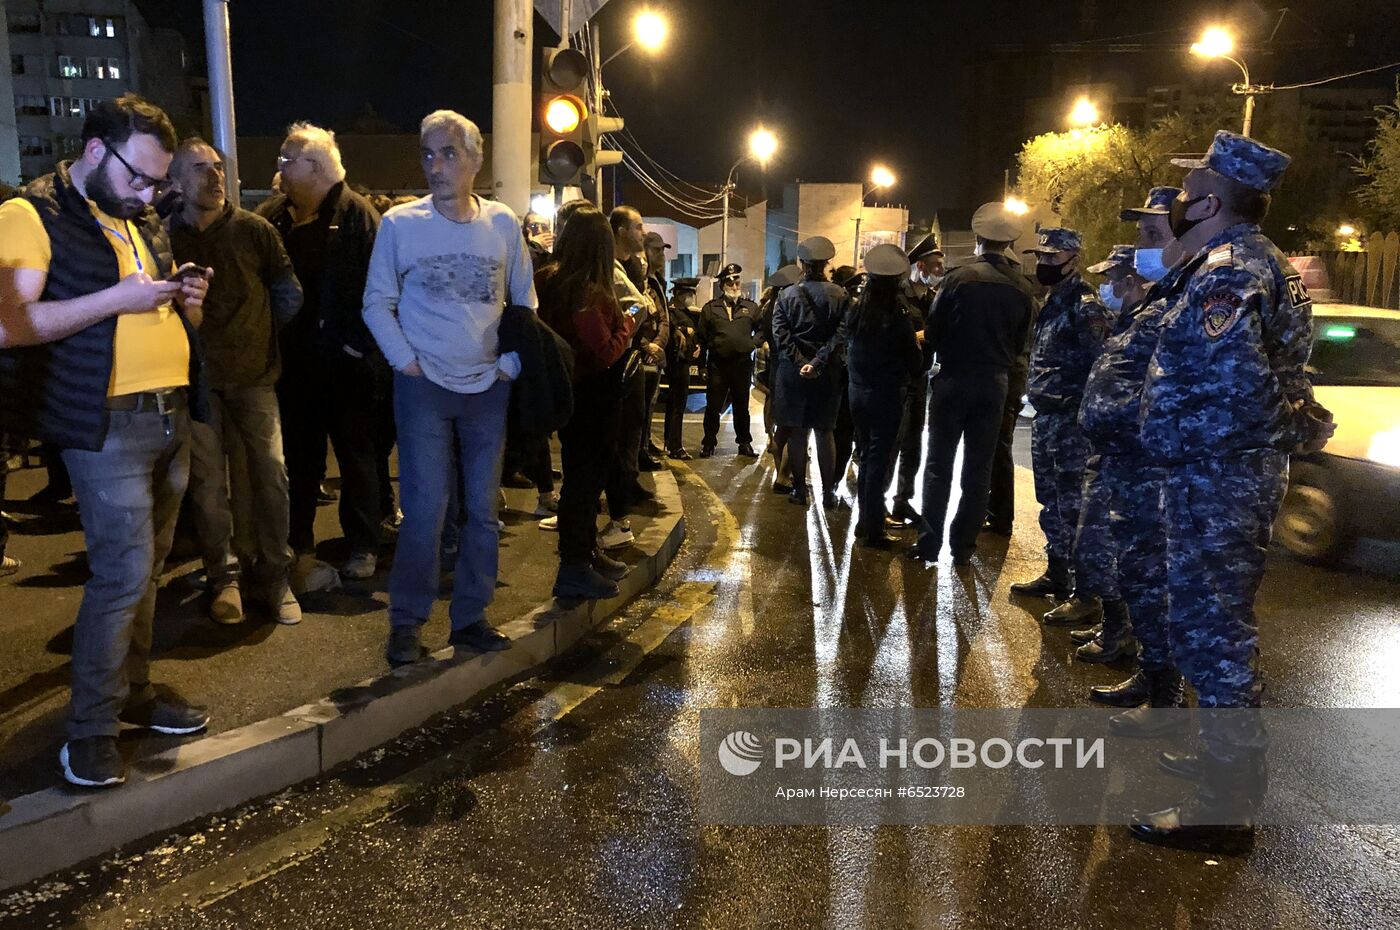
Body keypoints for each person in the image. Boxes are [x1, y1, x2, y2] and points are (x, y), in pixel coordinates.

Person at [0, 94, 213, 787]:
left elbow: (160, 310)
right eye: (140, 176)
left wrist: (188, 302)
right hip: (105, 422)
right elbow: (10, 325)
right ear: (95, 151)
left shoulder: (139, 215)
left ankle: (135, 696)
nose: (150, 193)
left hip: (169, 415)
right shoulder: (30, 213)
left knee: (144, 571)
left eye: (159, 183)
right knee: (122, 574)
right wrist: (117, 301)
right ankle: (90, 727)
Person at [1132, 132, 1333, 848]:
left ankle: (1226, 806)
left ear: (1210, 201)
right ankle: (1219, 767)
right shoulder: (1251, 261)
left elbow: (1234, 384)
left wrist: (1195, 443)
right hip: (1220, 472)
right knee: (1209, 627)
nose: (1181, 199)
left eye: (1191, 190)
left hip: (1219, 476)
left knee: (1214, 635)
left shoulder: (1228, 270)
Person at [362, 110, 533, 664]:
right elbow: (376, 301)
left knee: (482, 511)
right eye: (428, 154)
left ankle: (471, 618)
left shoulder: (503, 224)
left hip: (488, 387)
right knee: (426, 509)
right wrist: (406, 362)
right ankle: (407, 623)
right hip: (423, 389)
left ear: (475, 160)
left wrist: (510, 363)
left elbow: (525, 301)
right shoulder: (399, 224)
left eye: (448, 154)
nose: (436, 166)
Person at [168, 138, 305, 627]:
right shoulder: (166, 238)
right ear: (177, 181)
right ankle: (224, 578)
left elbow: (288, 295)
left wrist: (259, 337)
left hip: (254, 377)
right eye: (200, 168)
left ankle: (273, 576)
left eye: (218, 166)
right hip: (197, 382)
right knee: (206, 487)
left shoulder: (254, 230)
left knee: (271, 475)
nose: (214, 176)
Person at [256, 123, 385, 584]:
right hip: (293, 364)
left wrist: (355, 345)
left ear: (314, 167)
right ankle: (298, 542)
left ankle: (363, 545)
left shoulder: (358, 216)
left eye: (286, 162)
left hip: (348, 365)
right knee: (298, 461)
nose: (280, 171)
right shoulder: (274, 217)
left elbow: (380, 290)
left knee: (357, 459)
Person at [1080, 190, 1186, 704]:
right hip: (1125, 468)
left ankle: (1166, 697)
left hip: (1151, 474)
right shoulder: (1153, 310)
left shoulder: (1182, 308)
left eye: (1152, 236)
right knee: (1136, 579)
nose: (1139, 249)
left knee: (1154, 584)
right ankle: (1152, 676)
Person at [910, 204, 1035, 565]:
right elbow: (1021, 341)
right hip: (995, 381)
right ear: (1009, 242)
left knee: (939, 464)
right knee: (979, 467)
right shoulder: (1022, 287)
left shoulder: (957, 279)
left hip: (953, 378)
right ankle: (963, 546)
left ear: (978, 240)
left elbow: (933, 330)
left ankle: (929, 543)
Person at [536, 205, 639, 599]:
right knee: (584, 480)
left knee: (580, 474)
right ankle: (574, 564)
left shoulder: (547, 278)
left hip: (565, 390)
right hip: (594, 395)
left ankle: (587, 551)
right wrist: (628, 322)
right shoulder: (587, 290)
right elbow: (601, 353)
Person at [1008, 227, 1113, 612]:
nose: (1043, 264)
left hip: (1071, 423)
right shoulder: (1052, 302)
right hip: (1047, 419)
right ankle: (1058, 573)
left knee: (1074, 508)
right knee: (1050, 502)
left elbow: (1103, 368)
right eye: (1040, 257)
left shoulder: (1086, 308)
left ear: (1073, 260)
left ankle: (1086, 594)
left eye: (1052, 258)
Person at [845, 244, 924, 547]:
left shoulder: (856, 311)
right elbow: (915, 363)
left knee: (866, 457)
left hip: (858, 393)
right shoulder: (897, 315)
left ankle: (866, 522)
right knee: (878, 460)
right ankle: (874, 529)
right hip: (887, 395)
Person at [771, 237, 850, 508]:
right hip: (827, 373)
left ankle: (799, 490)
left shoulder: (786, 295)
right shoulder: (840, 295)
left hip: (793, 374)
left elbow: (780, 334)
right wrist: (817, 362)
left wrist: (801, 362)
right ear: (826, 264)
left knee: (797, 432)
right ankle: (828, 493)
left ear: (802, 264)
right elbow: (842, 334)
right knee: (825, 432)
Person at [887, 234, 942, 525]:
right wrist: (914, 337)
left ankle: (902, 501)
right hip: (897, 381)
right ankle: (877, 505)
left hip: (920, 379)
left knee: (912, 445)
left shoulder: (933, 299)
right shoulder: (898, 296)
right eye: (935, 266)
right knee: (892, 442)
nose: (939, 272)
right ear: (920, 265)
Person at [697, 263, 760, 458]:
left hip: (742, 366)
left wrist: (753, 343)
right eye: (729, 281)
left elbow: (763, 330)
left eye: (737, 280)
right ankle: (708, 442)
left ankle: (744, 442)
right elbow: (702, 338)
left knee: (742, 406)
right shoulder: (711, 308)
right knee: (713, 406)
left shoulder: (750, 307)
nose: (734, 285)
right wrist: (701, 366)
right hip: (718, 366)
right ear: (723, 284)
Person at [639, 231, 672, 466]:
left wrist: (658, 344)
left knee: (649, 404)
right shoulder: (634, 279)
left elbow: (663, 317)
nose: (661, 254)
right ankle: (639, 450)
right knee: (638, 408)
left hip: (653, 354)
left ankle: (644, 443)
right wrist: (646, 346)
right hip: (639, 354)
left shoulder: (657, 281)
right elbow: (630, 313)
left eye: (662, 250)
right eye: (657, 250)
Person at [663, 276, 701, 459]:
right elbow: (674, 332)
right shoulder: (671, 312)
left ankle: (669, 441)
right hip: (677, 364)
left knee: (676, 404)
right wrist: (685, 332)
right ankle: (675, 446)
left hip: (684, 362)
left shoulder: (685, 313)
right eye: (689, 294)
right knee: (678, 405)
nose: (691, 298)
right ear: (679, 294)